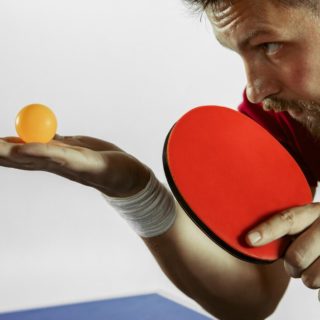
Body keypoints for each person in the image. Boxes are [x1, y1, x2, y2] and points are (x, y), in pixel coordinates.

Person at [0, 0, 319, 319]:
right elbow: (254, 297)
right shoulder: (287, 116)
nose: (254, 90)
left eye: (271, 46)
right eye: (240, 53)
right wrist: (138, 194)